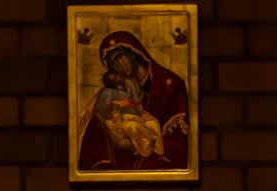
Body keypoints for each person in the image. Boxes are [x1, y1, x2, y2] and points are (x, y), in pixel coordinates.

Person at [75, 31, 191, 172]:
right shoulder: (114, 93)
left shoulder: (171, 86)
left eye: (118, 57)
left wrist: (134, 146)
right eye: (110, 63)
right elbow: (97, 130)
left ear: (135, 52)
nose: (115, 65)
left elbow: (179, 145)